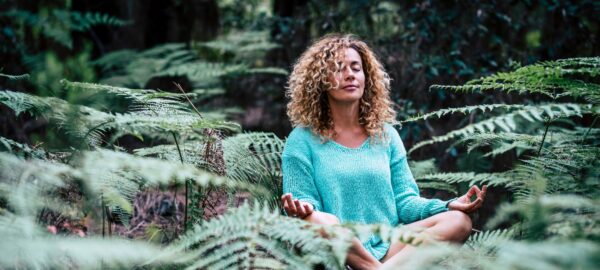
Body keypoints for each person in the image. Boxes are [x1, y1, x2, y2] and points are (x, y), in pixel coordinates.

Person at [280, 34, 487, 269]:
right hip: (339, 251)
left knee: (459, 221)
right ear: (320, 80)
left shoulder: (385, 135)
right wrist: (302, 209)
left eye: (356, 68)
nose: (350, 75)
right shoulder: (301, 140)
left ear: (366, 77)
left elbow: (405, 201)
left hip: (390, 245)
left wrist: (446, 205)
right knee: (317, 220)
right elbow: (304, 205)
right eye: (338, 68)